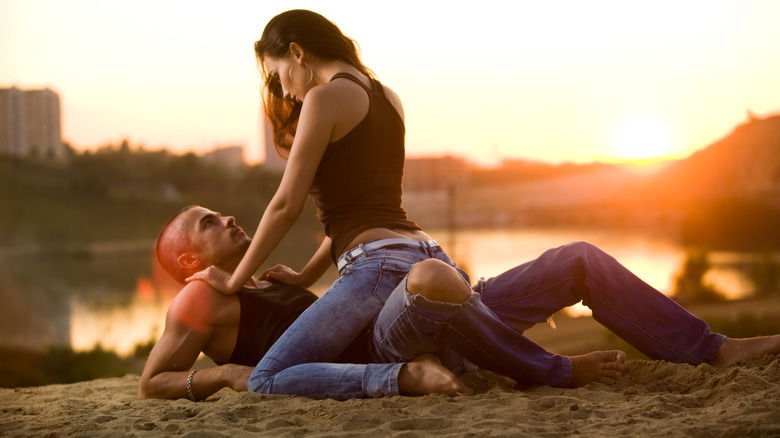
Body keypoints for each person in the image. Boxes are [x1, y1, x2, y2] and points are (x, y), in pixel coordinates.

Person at [185, 10, 779, 399]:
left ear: (296, 52)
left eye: (277, 74)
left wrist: (236, 277)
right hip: (423, 260)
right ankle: (715, 348)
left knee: (265, 380)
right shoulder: (386, 97)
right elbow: (360, 210)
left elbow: (286, 203)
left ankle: (426, 374)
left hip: (384, 274)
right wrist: (310, 272)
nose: (282, 89)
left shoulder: (321, 100)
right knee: (577, 259)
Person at [139, 205, 468, 401]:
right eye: (209, 223)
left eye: (218, 214)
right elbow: (152, 384)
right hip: (372, 359)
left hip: (387, 332)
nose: (228, 219)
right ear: (189, 260)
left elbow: (342, 232)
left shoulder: (268, 279)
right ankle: (410, 373)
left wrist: (305, 274)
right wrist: (226, 374)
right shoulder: (200, 297)